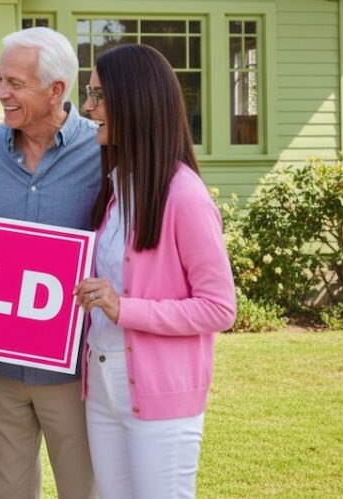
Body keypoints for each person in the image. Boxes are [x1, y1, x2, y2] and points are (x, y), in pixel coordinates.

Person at [75, 43, 237, 499]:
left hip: (159, 396)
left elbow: (219, 308)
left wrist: (123, 307)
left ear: (136, 100)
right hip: (103, 389)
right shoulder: (116, 188)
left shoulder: (184, 196)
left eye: (98, 95)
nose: (88, 107)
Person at [0, 27, 99, 499]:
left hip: (73, 373)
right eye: (1, 80)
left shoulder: (100, 152)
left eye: (14, 83)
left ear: (56, 90)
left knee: (84, 491)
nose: (1, 93)